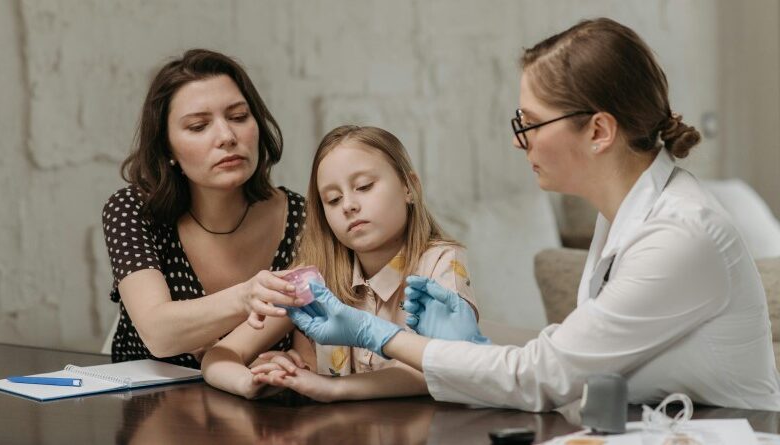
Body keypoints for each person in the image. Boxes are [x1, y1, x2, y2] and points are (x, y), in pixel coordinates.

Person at [283, 18, 780, 411]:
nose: (520, 140)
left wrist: (379, 334)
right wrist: (474, 345)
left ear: (599, 131)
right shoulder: (628, 215)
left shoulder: (678, 236)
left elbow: (543, 375)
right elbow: (569, 356)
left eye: (533, 123)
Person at [201, 125, 479, 401]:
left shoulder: (438, 262)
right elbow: (219, 356)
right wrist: (254, 380)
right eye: (333, 199)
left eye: (364, 186)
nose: (348, 205)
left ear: (410, 188)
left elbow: (445, 366)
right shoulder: (313, 277)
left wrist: (332, 387)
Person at [102, 49, 306, 369]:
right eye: (198, 126)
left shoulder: (304, 219)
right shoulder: (134, 210)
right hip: (147, 408)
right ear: (167, 147)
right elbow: (159, 334)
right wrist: (246, 296)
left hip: (263, 409)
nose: (226, 136)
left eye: (239, 117)